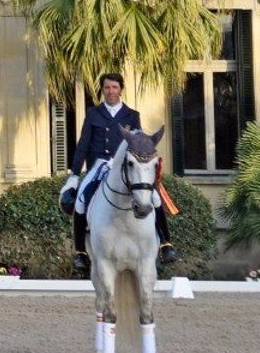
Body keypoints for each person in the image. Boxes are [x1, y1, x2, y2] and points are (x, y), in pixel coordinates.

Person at [58, 73, 177, 274]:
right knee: (81, 200)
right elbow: (83, 145)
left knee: (154, 197)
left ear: (120, 89)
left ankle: (166, 244)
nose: (110, 91)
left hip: (124, 165)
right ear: (102, 90)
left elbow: (139, 142)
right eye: (106, 88)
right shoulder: (93, 113)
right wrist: (74, 175)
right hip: (100, 165)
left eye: (114, 87)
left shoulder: (132, 115)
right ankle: (81, 253)